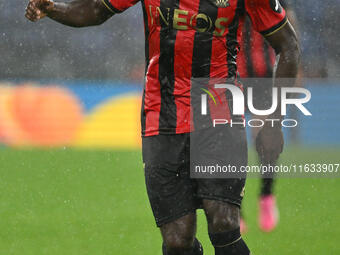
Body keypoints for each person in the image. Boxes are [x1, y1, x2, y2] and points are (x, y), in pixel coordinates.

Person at [25, 0, 300, 254]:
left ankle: (263, 202)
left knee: (224, 221)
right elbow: (97, 10)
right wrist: (52, 8)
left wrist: (274, 124)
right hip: (162, 115)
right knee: (177, 240)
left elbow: (288, 45)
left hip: (219, 113)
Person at [237, 0, 298, 233]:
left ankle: (266, 195)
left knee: (265, 139)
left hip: (262, 77)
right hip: (230, 74)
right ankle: (236, 207)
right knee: (231, 143)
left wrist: (295, 68)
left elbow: (289, 28)